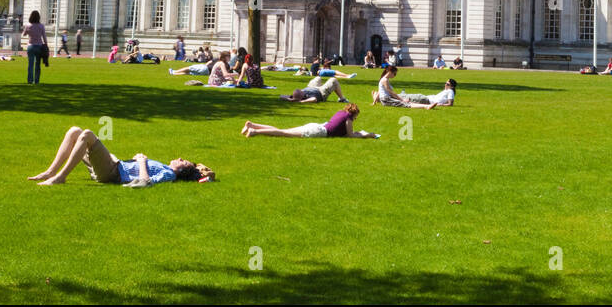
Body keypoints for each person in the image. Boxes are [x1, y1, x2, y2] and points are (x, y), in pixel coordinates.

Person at [29, 126, 214, 186]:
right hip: (115, 165)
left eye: (183, 161)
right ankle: (50, 172)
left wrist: (141, 161)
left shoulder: (170, 174)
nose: (180, 158)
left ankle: (60, 177)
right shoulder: (168, 169)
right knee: (74, 131)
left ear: (180, 169)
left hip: (112, 172)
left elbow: (145, 182)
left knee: (86, 134)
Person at [241, 103, 378, 139]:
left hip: (316, 126)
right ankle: (254, 131)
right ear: (354, 114)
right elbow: (350, 134)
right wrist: (366, 135)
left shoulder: (340, 112)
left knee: (283, 131)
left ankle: (253, 125)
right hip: (318, 131)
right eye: (356, 117)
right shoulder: (348, 117)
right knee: (283, 133)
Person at [280, 71, 354, 103]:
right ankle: (342, 99)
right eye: (301, 91)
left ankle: (341, 98)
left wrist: (290, 99)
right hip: (321, 92)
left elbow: (281, 96)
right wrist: (301, 101)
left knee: (318, 78)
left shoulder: (294, 96)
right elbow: (314, 99)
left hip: (311, 87)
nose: (301, 90)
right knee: (333, 80)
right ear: (301, 96)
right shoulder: (307, 97)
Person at [23, 10, 48, 84]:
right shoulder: (41, 26)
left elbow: (24, 34)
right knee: (38, 64)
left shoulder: (28, 25)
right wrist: (46, 44)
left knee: (30, 64)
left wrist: (27, 31)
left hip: (31, 46)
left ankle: (30, 80)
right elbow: (44, 36)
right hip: (39, 46)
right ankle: (36, 80)